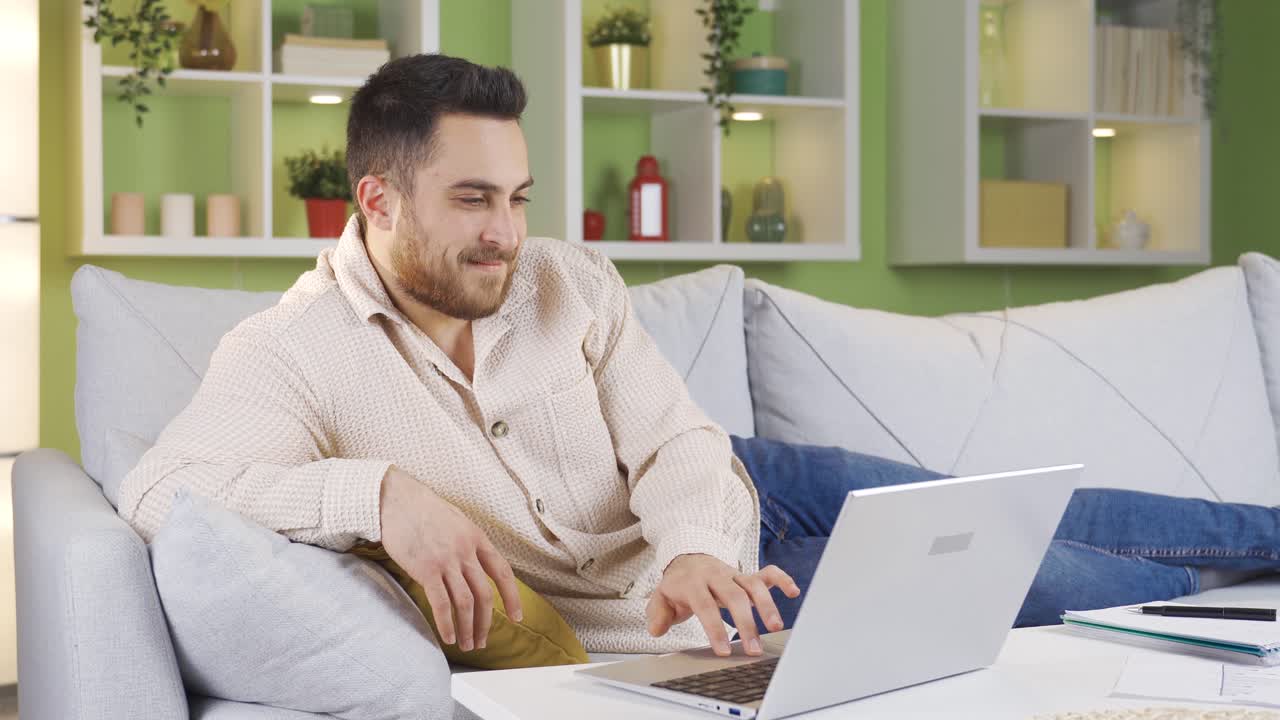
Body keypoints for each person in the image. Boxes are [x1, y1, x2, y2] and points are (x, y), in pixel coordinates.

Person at [117, 54, 1279, 661]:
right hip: (709, 616)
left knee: (1043, 507)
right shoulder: (291, 353)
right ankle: (1233, 618)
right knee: (1049, 575)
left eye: (517, 196)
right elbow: (162, 490)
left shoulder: (564, 281)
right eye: (473, 200)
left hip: (735, 497)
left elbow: (677, 441)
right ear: (375, 198)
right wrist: (377, 493)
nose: (505, 233)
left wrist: (688, 546)